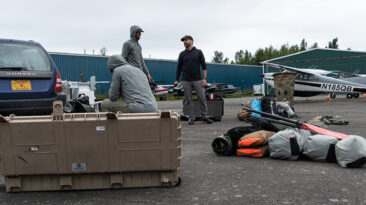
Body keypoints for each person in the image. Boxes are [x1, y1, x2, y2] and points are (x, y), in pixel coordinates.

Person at [174, 35, 212, 125]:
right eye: (183, 41)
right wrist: (176, 79)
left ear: (192, 41)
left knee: (202, 98)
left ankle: (204, 116)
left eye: (186, 40)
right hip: (186, 80)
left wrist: (204, 79)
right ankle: (191, 117)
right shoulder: (182, 54)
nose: (184, 42)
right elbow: (179, 68)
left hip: (198, 80)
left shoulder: (198, 52)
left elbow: (204, 66)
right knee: (188, 99)